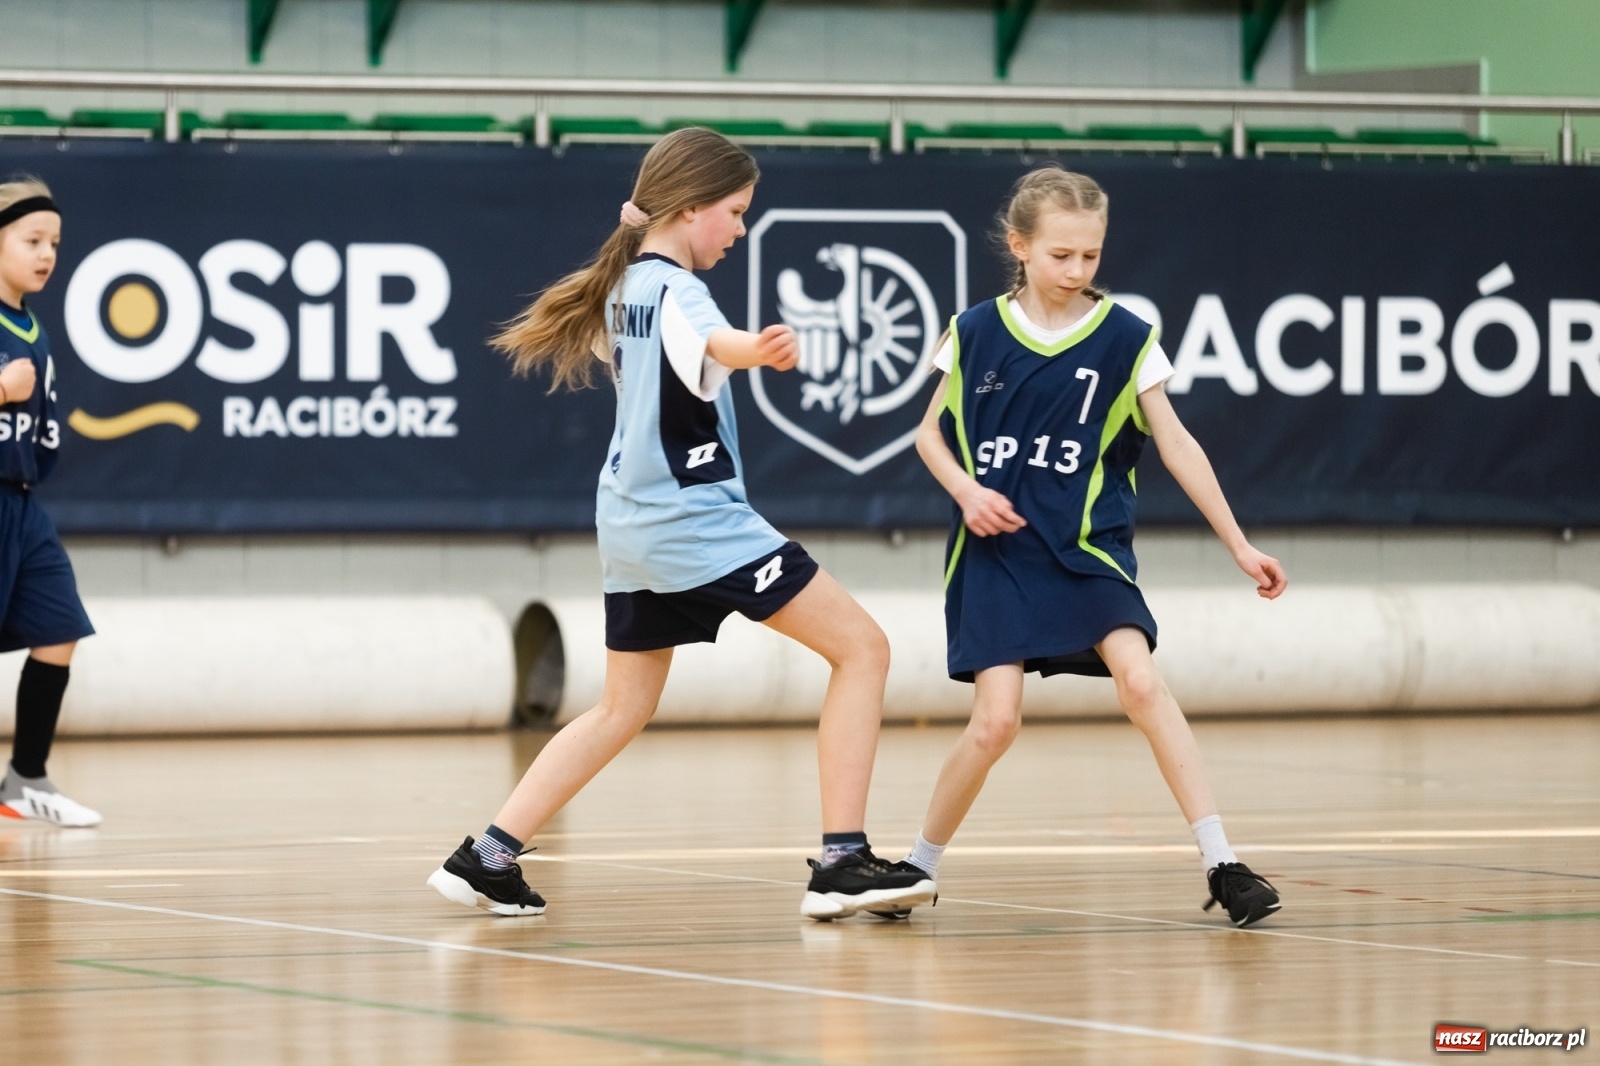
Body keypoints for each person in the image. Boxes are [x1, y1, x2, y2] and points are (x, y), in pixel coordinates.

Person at [428, 128, 934, 920]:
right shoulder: (677, 291)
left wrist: (737, 351)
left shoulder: (625, 281)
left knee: (622, 707)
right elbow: (705, 342)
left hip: (630, 523)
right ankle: (842, 861)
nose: (739, 229)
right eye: (733, 212)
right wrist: (755, 351)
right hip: (693, 520)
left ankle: (487, 857)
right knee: (863, 648)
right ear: (691, 207)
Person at [904, 166, 1286, 927]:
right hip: (997, 553)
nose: (1077, 271)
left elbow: (1177, 445)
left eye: (1091, 256)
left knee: (1142, 685)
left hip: (1089, 549)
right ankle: (916, 868)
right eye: (1061, 256)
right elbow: (927, 435)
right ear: (1019, 246)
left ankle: (1223, 861)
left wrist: (1239, 545)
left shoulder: (1126, 338)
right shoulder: (974, 331)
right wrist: (967, 491)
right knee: (996, 723)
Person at [0, 177, 99, 829]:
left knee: (60, 626)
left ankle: (25, 777)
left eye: (54, 243)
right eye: (32, 239)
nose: (46, 254)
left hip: (22, 499)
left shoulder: (32, 323)